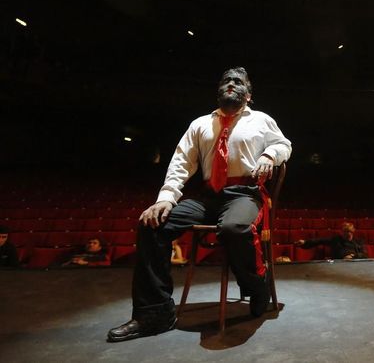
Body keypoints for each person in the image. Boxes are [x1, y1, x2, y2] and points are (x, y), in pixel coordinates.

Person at [108, 67, 292, 343]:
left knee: (234, 227)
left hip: (245, 193)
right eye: (226, 80)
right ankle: (154, 313)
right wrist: (166, 199)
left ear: (249, 95)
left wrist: (270, 154)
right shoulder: (200, 124)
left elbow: (284, 144)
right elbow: (181, 163)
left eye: (238, 81)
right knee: (152, 225)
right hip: (209, 197)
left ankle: (257, 285)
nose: (231, 84)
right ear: (218, 90)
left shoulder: (262, 120)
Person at [294, 222, 367, 260]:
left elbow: (364, 255)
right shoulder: (336, 240)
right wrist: (305, 242)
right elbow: (319, 241)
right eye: (345, 232)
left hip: (354, 265)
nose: (347, 234)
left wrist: (353, 256)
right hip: (338, 265)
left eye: (349, 231)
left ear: (353, 231)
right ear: (342, 232)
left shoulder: (358, 242)